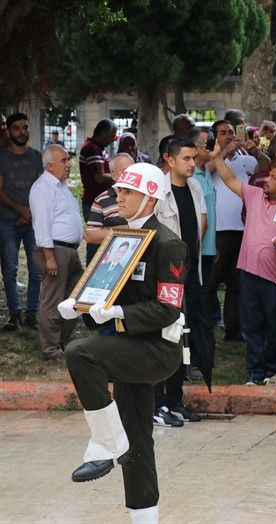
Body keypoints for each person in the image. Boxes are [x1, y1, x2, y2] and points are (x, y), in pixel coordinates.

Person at [57, 162, 187, 524]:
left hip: (157, 349)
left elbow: (167, 308)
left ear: (150, 199)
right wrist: (80, 305)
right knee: (137, 435)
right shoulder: (119, 237)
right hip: (126, 345)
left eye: (128, 192)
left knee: (80, 353)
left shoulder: (168, 244)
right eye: (120, 190)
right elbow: (102, 287)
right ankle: (145, 517)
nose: (120, 196)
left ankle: (104, 443)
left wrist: (116, 314)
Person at [212, 136, 276, 383]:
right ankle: (255, 371)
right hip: (248, 273)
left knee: (274, 325)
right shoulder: (255, 196)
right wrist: (218, 156)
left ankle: (271, 368)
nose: (266, 180)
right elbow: (229, 179)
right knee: (251, 325)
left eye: (273, 178)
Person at [153, 137, 207, 425]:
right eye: (186, 158)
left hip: (190, 275)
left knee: (182, 337)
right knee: (165, 337)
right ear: (169, 159)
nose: (192, 164)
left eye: (194, 158)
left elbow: (197, 229)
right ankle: (157, 402)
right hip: (166, 278)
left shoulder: (196, 187)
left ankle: (175, 400)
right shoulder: (158, 191)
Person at [206, 119, 269, 341]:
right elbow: (204, 171)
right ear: (215, 137)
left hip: (243, 229)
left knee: (237, 283)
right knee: (211, 281)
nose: (229, 136)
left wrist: (257, 152)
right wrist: (222, 152)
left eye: (231, 132)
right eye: (223, 133)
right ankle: (204, 329)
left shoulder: (246, 160)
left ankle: (233, 330)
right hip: (218, 230)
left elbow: (266, 168)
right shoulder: (210, 158)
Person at [29, 144, 84, 359]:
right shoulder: (43, 187)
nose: (68, 164)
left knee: (74, 297)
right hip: (55, 251)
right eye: (63, 161)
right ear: (50, 166)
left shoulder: (60, 186)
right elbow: (41, 225)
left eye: (68, 160)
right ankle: (51, 349)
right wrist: (49, 257)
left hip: (69, 251)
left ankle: (60, 342)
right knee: (53, 300)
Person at [0, 112, 43, 330]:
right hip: (7, 222)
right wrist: (20, 210)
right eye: (16, 128)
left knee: (37, 271)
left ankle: (32, 314)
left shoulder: (36, 157)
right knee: (9, 269)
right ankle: (14, 315)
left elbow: (41, 189)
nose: (21, 132)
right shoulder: (2, 157)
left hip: (33, 222)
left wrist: (31, 214)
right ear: (8, 131)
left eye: (25, 127)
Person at [79, 119, 117, 263]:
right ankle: (91, 273)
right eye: (112, 134)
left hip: (99, 201)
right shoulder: (91, 149)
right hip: (93, 201)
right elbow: (99, 177)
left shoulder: (99, 149)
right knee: (95, 242)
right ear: (104, 132)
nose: (114, 138)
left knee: (103, 242)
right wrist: (118, 176)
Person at [188, 127, 217, 289]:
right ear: (195, 148)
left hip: (208, 248)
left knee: (207, 292)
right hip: (195, 249)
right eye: (208, 144)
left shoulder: (205, 172)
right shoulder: (190, 176)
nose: (212, 148)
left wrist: (213, 244)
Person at [85, 153, 134, 247]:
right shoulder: (101, 200)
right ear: (113, 175)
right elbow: (91, 235)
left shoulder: (143, 196)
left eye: (134, 171)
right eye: (126, 171)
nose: (131, 175)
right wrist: (131, 233)